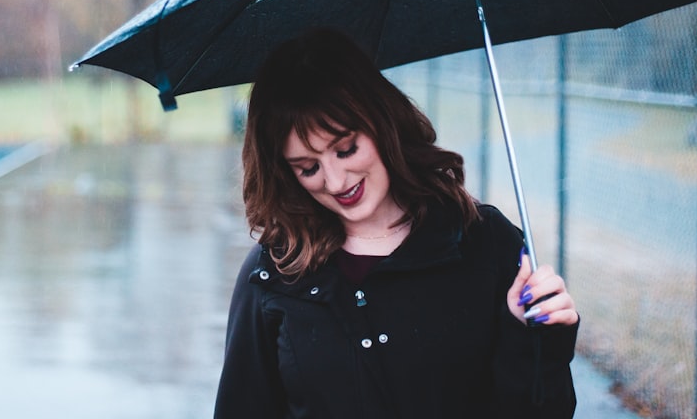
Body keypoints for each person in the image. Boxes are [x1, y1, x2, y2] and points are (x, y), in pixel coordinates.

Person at [214, 27, 579, 419]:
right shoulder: (272, 274)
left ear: (381, 122)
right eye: (308, 168)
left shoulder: (482, 242)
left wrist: (539, 339)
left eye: (346, 149)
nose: (335, 182)